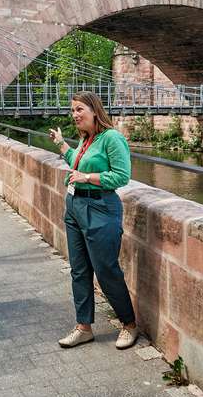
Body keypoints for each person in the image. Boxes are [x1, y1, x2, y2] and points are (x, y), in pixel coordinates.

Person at [49, 92, 138, 350]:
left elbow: (121, 176)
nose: (75, 115)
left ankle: (129, 325)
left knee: (106, 270)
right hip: (75, 207)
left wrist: (87, 178)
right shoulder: (86, 139)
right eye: (73, 110)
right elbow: (77, 164)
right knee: (79, 270)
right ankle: (83, 327)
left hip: (101, 208)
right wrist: (63, 145)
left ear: (94, 110)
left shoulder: (111, 138)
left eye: (79, 109)